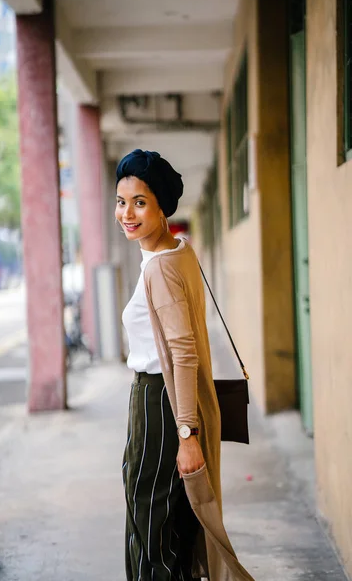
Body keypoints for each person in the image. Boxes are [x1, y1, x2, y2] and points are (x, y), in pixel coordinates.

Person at [116, 149, 255, 581]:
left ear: (162, 207)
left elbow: (183, 350)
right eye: (122, 201)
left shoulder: (160, 267)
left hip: (160, 399)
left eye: (140, 202)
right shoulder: (181, 250)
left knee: (149, 518)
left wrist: (186, 433)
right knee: (174, 517)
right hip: (170, 396)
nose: (128, 213)